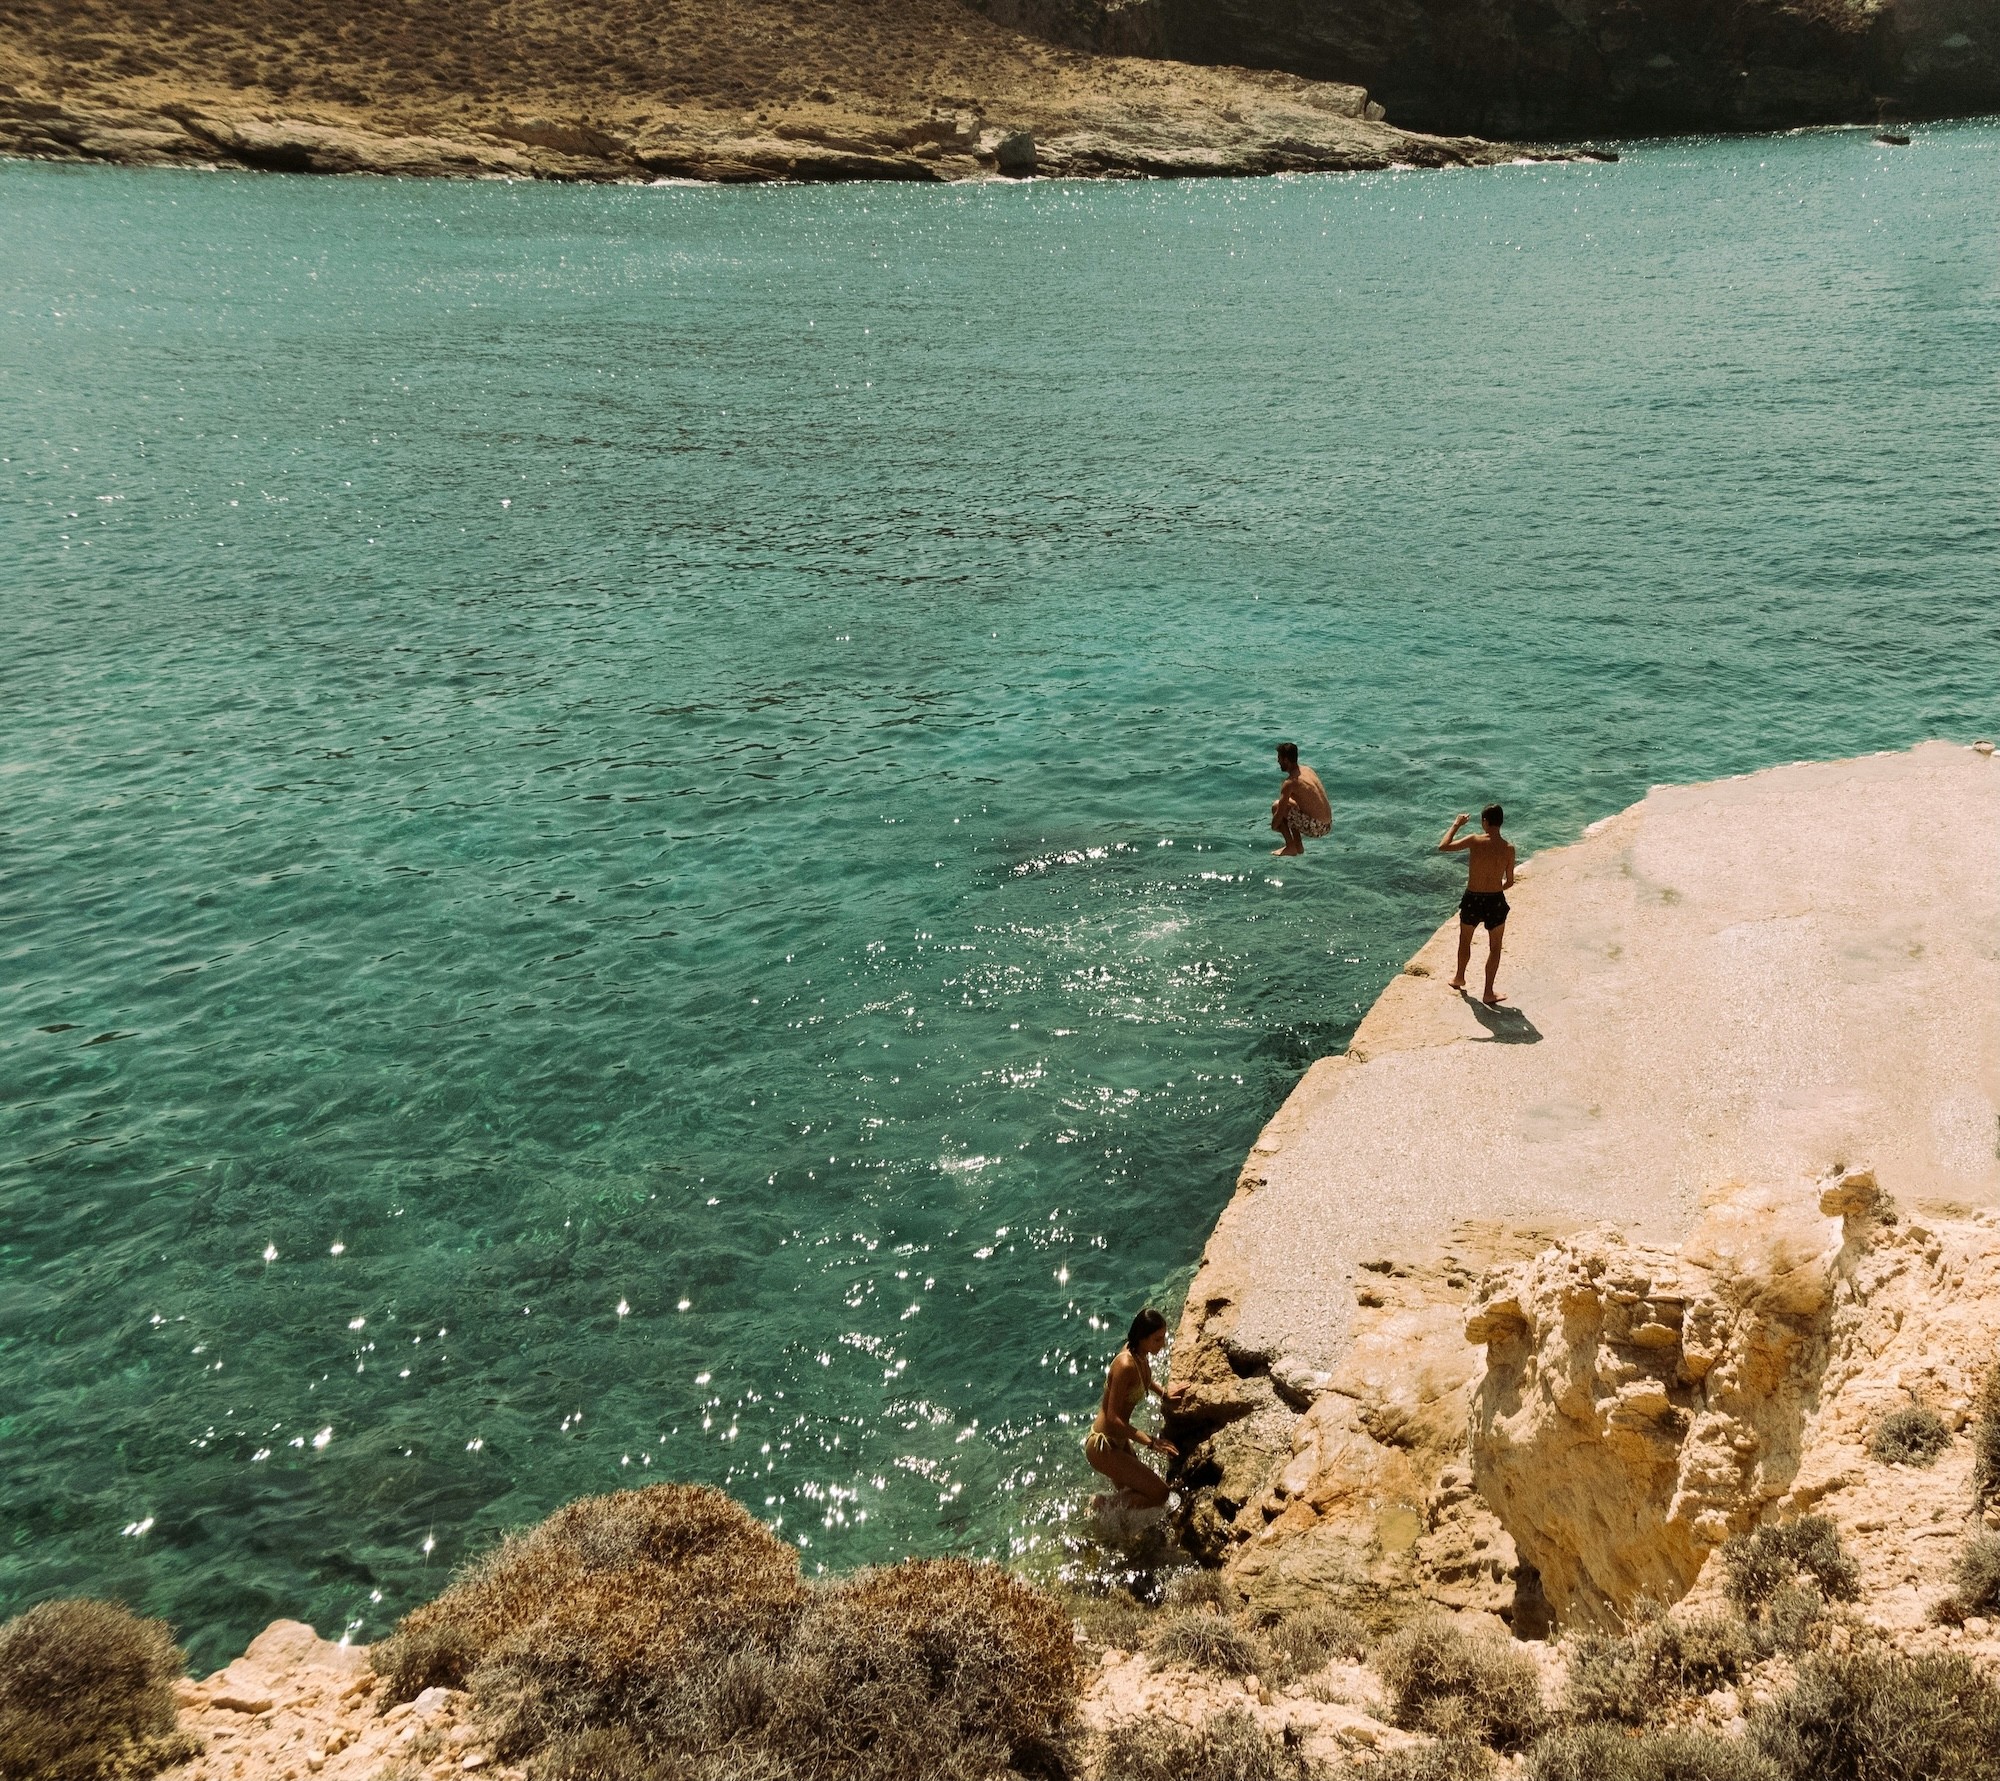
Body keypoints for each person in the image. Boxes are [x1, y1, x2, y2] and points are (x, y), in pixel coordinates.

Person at [1084, 1308, 1179, 1510]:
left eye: (1163, 1338)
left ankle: (1117, 1532)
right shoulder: (1125, 1364)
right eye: (1157, 1339)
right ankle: (1100, 1504)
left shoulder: (1140, 1354)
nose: (1162, 1344)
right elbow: (1112, 1417)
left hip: (1119, 1441)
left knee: (1134, 1490)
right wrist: (1150, 1441)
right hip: (1103, 1445)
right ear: (1142, 1338)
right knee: (1160, 1493)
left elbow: (1142, 1379)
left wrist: (1164, 1393)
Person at [1440, 803, 1516, 1005]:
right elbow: (1509, 882)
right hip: (1495, 900)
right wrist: (1494, 888)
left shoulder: (1475, 840)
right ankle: (1488, 992)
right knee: (1495, 947)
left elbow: (1444, 846)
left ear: (1485, 822)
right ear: (1501, 822)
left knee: (1465, 940)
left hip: (1473, 898)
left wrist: (1456, 825)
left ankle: (1459, 977)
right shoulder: (1509, 849)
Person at [1270, 742, 1333, 856]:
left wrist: (1274, 826)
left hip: (1318, 827)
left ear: (1286, 760)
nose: (1278, 761)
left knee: (1276, 806)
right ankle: (1298, 845)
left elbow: (1280, 812)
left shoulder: (1290, 783)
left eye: (1279, 758)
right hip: (1328, 824)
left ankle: (1290, 846)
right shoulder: (1307, 770)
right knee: (1292, 805)